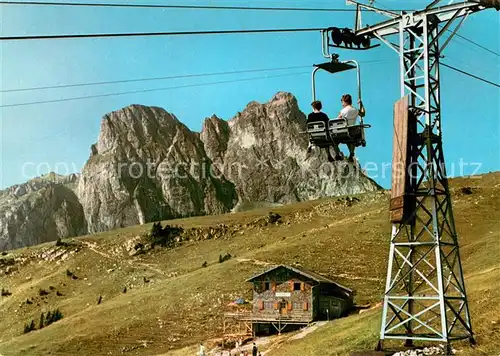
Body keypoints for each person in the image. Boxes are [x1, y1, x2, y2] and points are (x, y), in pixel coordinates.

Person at [333, 94, 364, 162]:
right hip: (352, 131)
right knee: (350, 140)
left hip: (344, 131)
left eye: (342, 102)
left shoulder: (343, 111)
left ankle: (338, 153)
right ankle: (351, 153)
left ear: (345, 101)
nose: (342, 104)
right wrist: (361, 104)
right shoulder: (355, 110)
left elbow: (337, 120)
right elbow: (363, 113)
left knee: (333, 140)